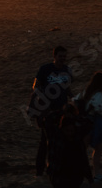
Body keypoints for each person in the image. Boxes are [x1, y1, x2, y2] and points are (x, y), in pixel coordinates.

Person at [29, 46, 73, 177]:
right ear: (54, 56)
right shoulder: (45, 69)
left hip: (62, 110)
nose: (63, 59)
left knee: (61, 140)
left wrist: (74, 99)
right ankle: (40, 170)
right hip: (46, 111)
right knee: (45, 140)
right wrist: (42, 102)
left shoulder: (67, 70)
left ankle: (56, 167)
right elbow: (35, 86)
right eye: (60, 56)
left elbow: (67, 89)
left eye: (64, 56)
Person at [47, 108, 93, 188]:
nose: (69, 133)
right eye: (67, 131)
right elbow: (48, 119)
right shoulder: (56, 137)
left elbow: (89, 123)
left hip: (75, 177)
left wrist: (74, 114)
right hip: (59, 177)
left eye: (71, 131)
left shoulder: (77, 137)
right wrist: (62, 111)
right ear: (62, 129)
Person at [79, 72, 102, 180]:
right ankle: (96, 174)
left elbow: (76, 100)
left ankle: (79, 172)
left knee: (82, 149)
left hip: (83, 122)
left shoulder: (87, 92)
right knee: (98, 149)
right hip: (92, 123)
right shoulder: (99, 94)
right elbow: (98, 107)